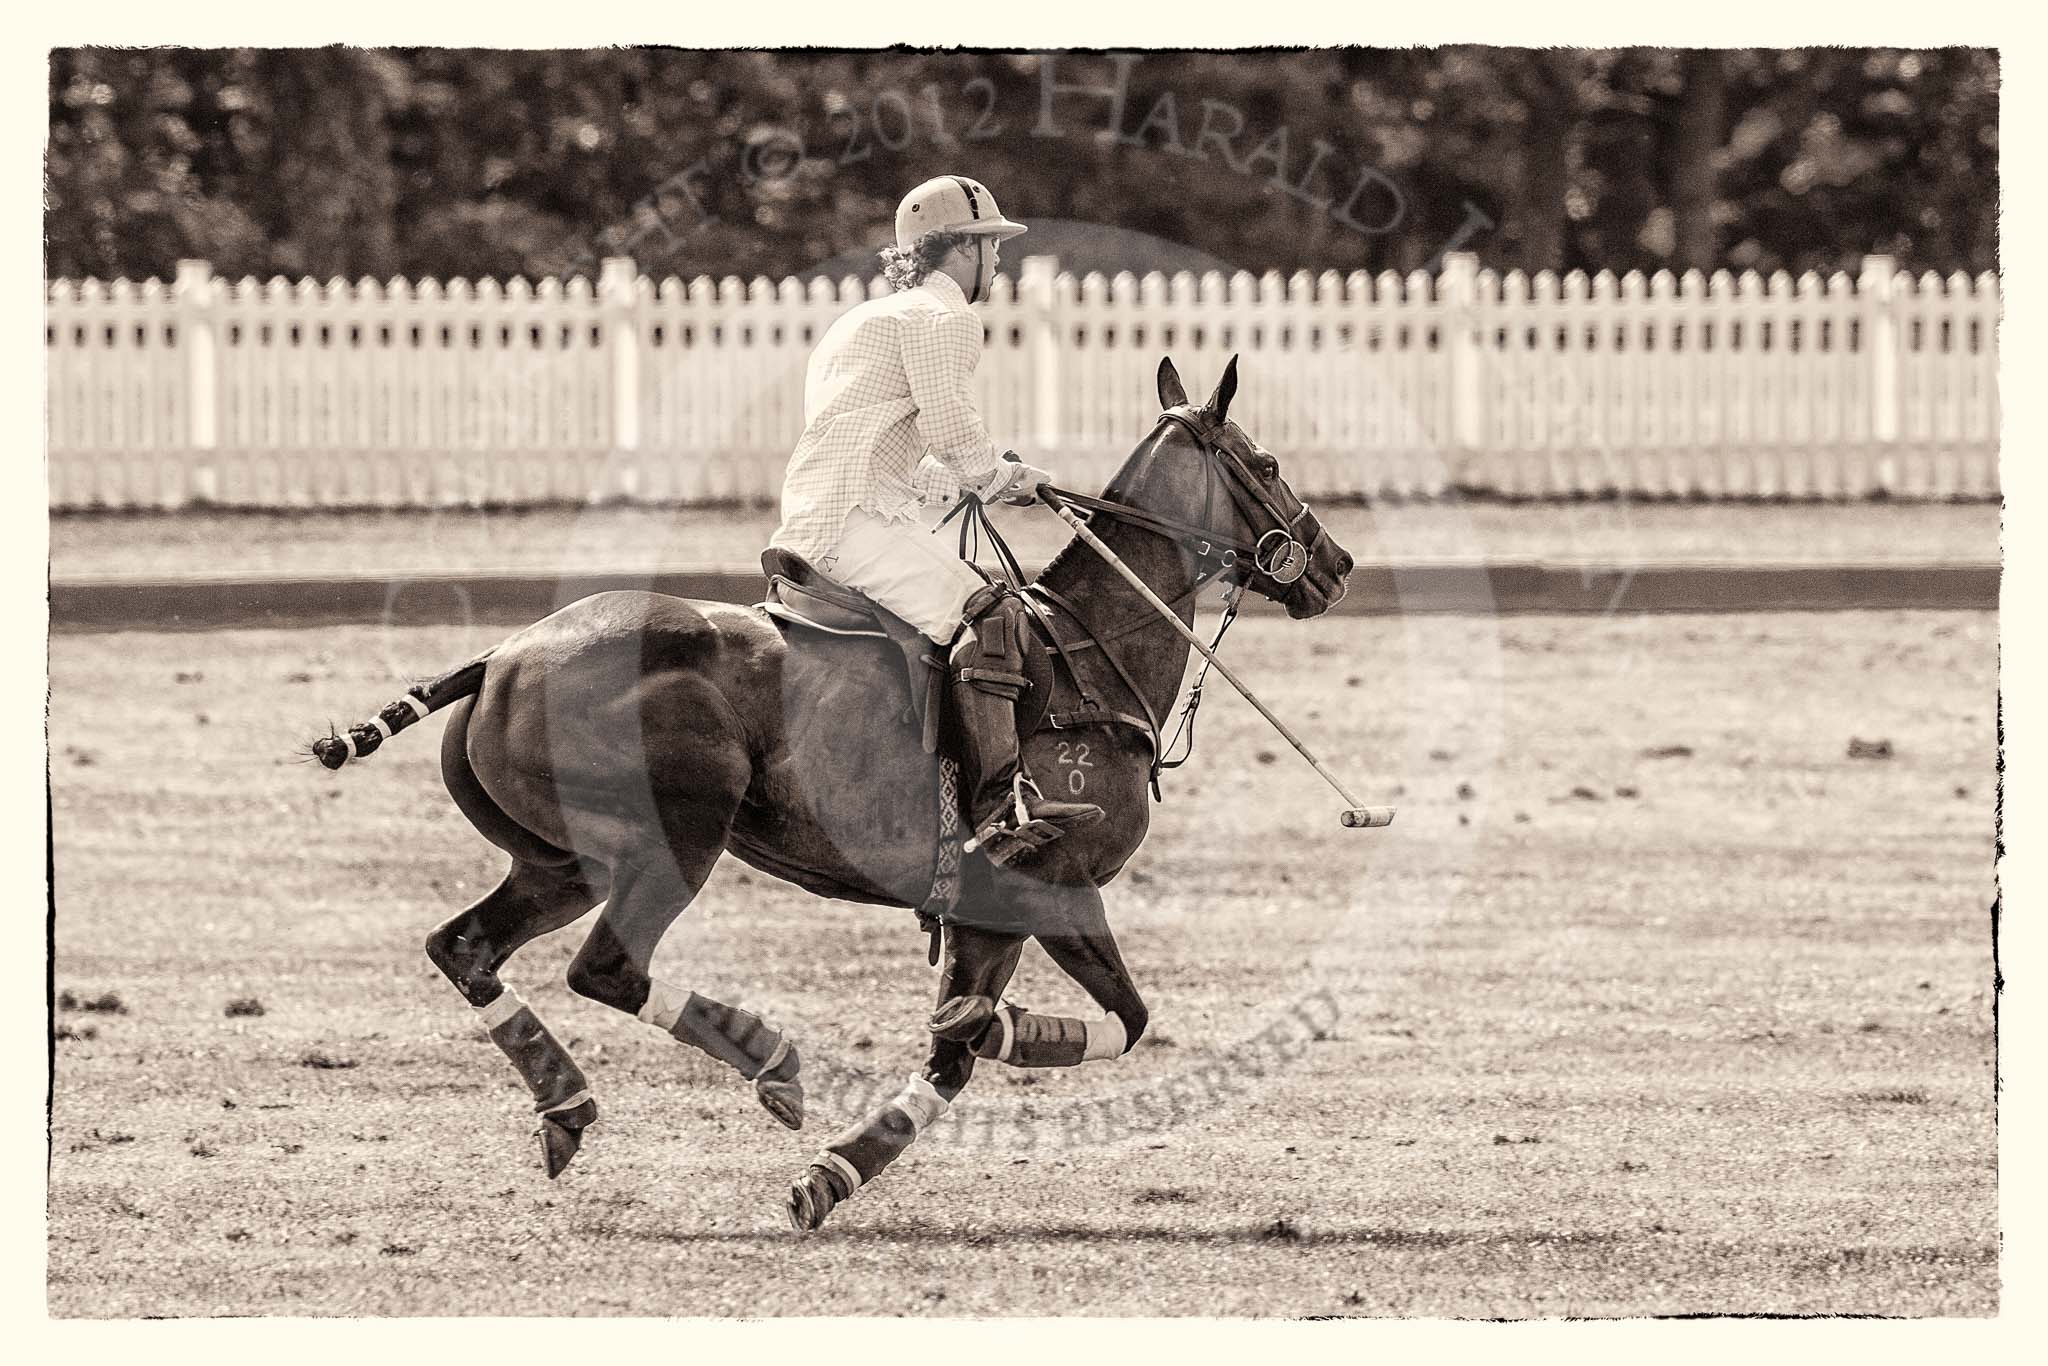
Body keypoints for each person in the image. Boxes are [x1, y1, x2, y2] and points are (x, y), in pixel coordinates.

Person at [769, 175, 1102, 866]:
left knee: (975, 598)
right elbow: (952, 428)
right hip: (852, 518)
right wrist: (1001, 476)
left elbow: (885, 442)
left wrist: (975, 476)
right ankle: (999, 809)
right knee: (991, 612)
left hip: (828, 507)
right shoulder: (944, 316)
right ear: (964, 249)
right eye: (992, 247)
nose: (999, 263)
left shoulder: (864, 319)